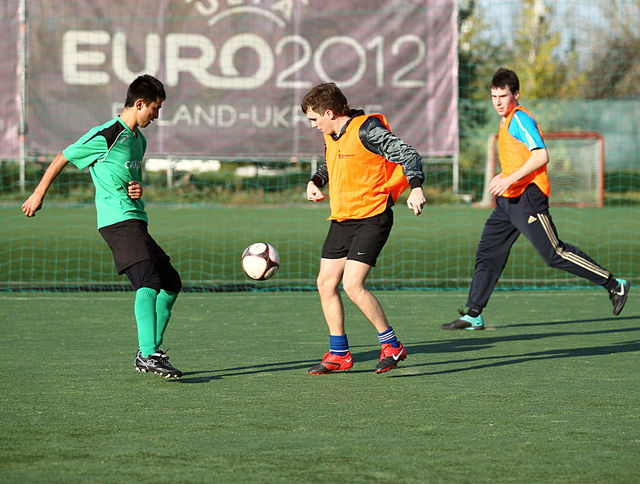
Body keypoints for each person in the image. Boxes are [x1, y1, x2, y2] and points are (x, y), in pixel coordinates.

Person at [443, 67, 629, 331]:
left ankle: (614, 284)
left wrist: (509, 179)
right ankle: (474, 314)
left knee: (554, 253)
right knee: (488, 252)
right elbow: (520, 158)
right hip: (507, 202)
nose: (497, 102)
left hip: (527, 198)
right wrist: (505, 176)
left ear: (516, 94)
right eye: (494, 96)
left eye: (503, 96)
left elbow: (541, 155)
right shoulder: (505, 120)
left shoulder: (520, 119)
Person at [22, 75, 183, 378]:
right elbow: (63, 156)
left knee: (171, 282)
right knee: (148, 282)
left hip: (136, 219)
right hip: (117, 222)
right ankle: (149, 353)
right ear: (139, 104)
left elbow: (129, 180)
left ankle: (150, 351)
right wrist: (38, 193)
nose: (157, 115)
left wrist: (137, 188)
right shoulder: (107, 135)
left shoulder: (139, 140)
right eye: (156, 108)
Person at [301, 82, 426, 374]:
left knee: (352, 285)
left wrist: (416, 187)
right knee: (325, 284)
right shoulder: (332, 134)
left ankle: (392, 346)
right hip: (342, 218)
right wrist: (315, 181)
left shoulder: (368, 130)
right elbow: (331, 164)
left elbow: (408, 154)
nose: (313, 125)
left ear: (329, 113)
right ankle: (339, 354)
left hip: (373, 217)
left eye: (314, 119)